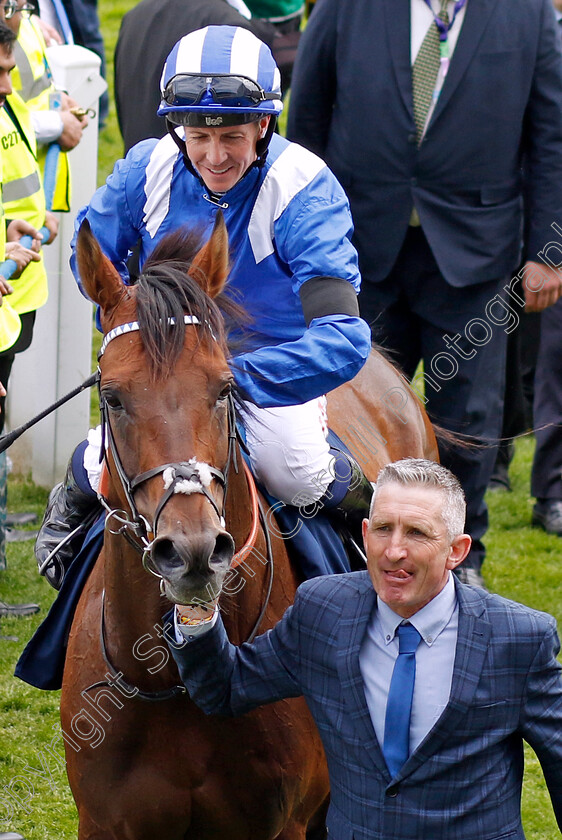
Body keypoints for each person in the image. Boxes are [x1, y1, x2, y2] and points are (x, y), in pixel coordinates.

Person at [34, 25, 372, 588]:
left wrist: (233, 378)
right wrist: (131, 327)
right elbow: (88, 249)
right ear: (178, 128)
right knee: (101, 458)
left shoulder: (304, 189)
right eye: (198, 136)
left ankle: (367, 533)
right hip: (165, 358)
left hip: (265, 363)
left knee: (296, 469)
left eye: (234, 137)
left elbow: (343, 334)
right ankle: (67, 522)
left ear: (264, 125)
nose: (215, 157)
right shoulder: (146, 167)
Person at [286, 0, 562, 586]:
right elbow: (305, 120)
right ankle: (346, 552)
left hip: (476, 253)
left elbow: (550, 138)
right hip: (357, 251)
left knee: (468, 419)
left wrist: (546, 252)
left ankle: (461, 563)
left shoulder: (528, 13)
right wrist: (296, 234)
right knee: (343, 412)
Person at [167, 458, 562, 839]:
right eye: (384, 529)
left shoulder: (521, 638)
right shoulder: (322, 611)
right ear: (365, 532)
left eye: (417, 533)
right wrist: (195, 606)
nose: (393, 552)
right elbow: (228, 687)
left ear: (457, 551)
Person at [114, 0, 284, 153]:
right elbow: (258, 119)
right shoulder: (230, 29)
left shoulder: (135, 15)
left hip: (140, 158)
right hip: (201, 172)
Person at [3, 0, 88, 212]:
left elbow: (34, 81)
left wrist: (59, 95)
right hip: (12, 208)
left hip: (36, 193)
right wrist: (58, 124)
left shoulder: (25, 16)